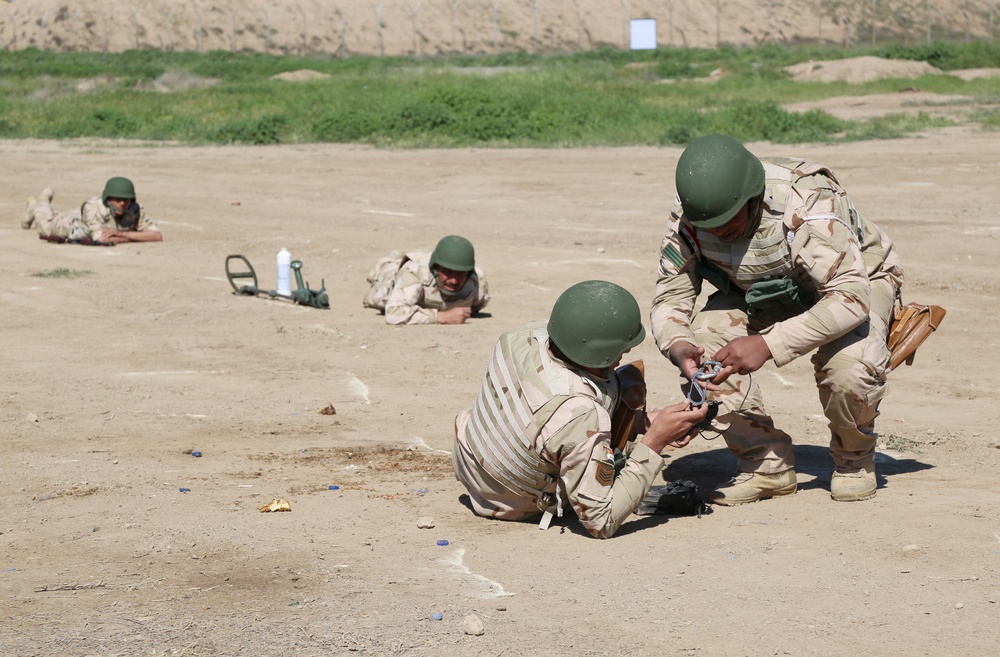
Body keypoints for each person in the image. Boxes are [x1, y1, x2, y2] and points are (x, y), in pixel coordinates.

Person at [650, 134, 904, 505]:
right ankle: (766, 464)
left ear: (753, 196)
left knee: (851, 365)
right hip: (756, 288)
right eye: (711, 224)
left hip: (849, 285)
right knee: (705, 353)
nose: (718, 231)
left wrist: (768, 344)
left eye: (727, 220)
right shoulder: (695, 213)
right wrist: (677, 345)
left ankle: (854, 460)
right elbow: (671, 294)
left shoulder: (806, 198)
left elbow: (849, 296)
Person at [453, 280, 709, 538]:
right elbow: (600, 523)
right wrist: (655, 442)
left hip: (471, 461)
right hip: (511, 501)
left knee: (617, 385)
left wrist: (643, 423)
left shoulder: (524, 335)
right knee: (624, 385)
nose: (625, 353)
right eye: (621, 350)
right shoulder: (580, 412)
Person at [362, 235, 489, 325]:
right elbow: (393, 313)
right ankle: (391, 261)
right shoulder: (416, 272)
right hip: (391, 279)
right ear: (436, 267)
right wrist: (441, 317)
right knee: (380, 291)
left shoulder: (476, 283)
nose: (454, 281)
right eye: (447, 272)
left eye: (460, 274)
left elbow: (477, 307)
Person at [20, 176, 163, 244]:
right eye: (117, 199)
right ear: (108, 198)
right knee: (44, 225)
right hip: (70, 225)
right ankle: (40, 202)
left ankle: (37, 205)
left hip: (86, 220)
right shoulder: (92, 207)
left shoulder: (135, 208)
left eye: (126, 199)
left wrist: (120, 234)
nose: (122, 203)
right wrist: (135, 236)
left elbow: (157, 235)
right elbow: (100, 239)